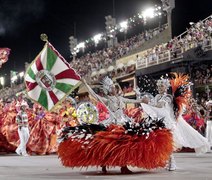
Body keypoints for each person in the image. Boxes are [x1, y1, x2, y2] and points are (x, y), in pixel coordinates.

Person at [141, 75, 210, 171]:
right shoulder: (157, 96)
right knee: (159, 142)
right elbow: (154, 106)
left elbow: (160, 105)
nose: (160, 88)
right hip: (158, 121)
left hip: (167, 122)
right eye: (159, 86)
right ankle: (163, 161)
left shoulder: (168, 97)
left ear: (166, 87)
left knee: (168, 142)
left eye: (162, 86)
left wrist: (147, 103)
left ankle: (171, 162)